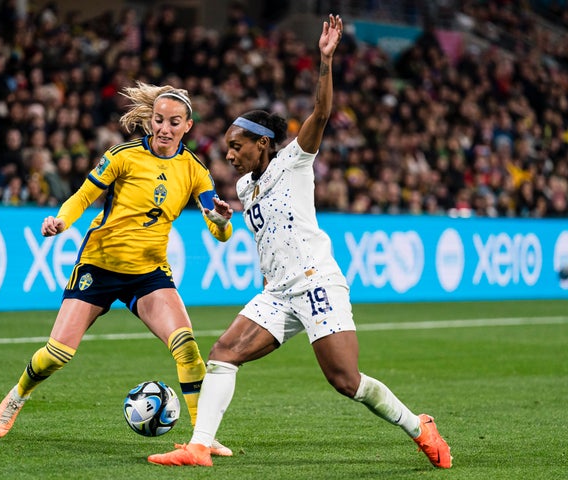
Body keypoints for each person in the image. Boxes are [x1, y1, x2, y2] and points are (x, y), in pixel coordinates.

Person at [148, 15, 452, 469]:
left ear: (264, 143)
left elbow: (322, 114)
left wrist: (325, 61)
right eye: (227, 147)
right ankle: (199, 445)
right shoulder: (247, 188)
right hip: (277, 292)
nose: (229, 154)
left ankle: (419, 426)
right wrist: (226, 217)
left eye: (237, 145)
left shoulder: (293, 160)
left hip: (316, 284)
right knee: (223, 353)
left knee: (346, 381)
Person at [0, 81, 236, 457]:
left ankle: (202, 436)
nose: (164, 129)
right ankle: (17, 394)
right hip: (99, 266)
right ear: (149, 121)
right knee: (57, 354)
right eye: (158, 120)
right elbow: (85, 196)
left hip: (149, 273)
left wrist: (219, 220)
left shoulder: (196, 171)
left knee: (186, 348)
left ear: (188, 127)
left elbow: (220, 232)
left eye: (173, 122)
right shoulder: (122, 156)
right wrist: (60, 221)